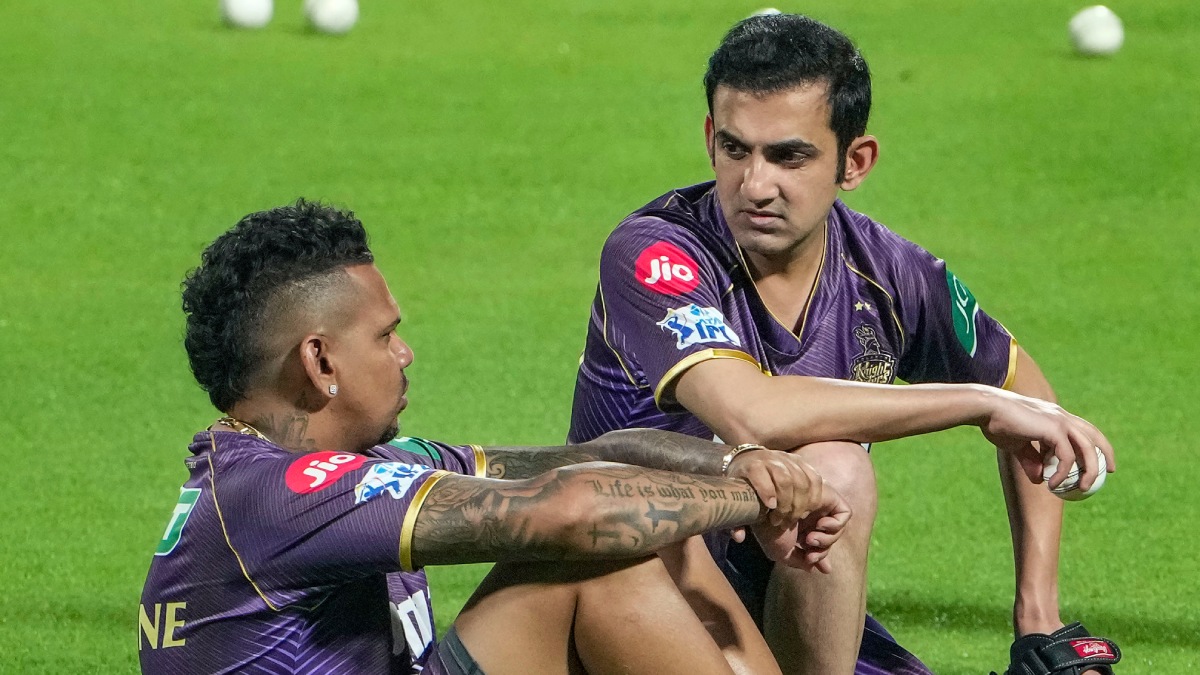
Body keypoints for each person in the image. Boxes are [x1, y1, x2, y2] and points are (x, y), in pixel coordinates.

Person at [568, 13, 1119, 675]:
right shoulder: (656, 254)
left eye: (789, 156)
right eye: (736, 149)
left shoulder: (889, 273)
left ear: (854, 162)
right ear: (711, 138)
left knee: (835, 470)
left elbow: (1030, 403)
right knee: (839, 466)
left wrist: (1039, 616)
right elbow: (751, 412)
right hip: (637, 593)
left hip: (784, 601)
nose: (755, 184)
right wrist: (977, 403)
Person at [138, 200, 855, 675]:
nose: (405, 353)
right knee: (604, 550)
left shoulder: (347, 467)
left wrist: (740, 463)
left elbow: (594, 459)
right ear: (320, 361)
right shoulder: (274, 494)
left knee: (657, 526)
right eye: (385, 336)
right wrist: (751, 503)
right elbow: (574, 513)